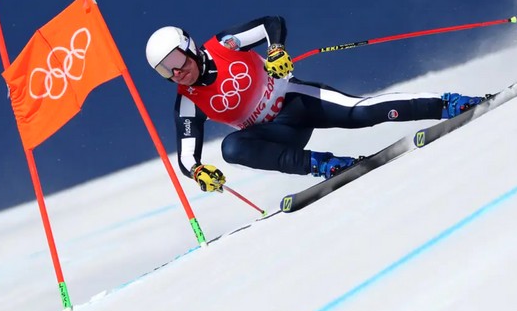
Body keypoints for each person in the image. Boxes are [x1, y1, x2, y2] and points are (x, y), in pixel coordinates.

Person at [145, 16, 486, 193]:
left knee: (361, 111)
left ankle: (450, 104)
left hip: (296, 102)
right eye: (165, 70)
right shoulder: (188, 102)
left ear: (188, 46)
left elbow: (270, 23)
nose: (177, 71)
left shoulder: (224, 44)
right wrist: (200, 172)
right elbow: (188, 156)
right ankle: (327, 165)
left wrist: (275, 49)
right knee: (232, 148)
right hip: (276, 135)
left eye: (177, 59)